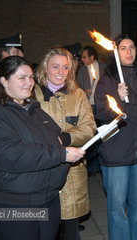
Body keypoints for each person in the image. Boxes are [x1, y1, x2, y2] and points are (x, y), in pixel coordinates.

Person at [0, 56, 85, 240]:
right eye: (22, 78)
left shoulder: (34, 109)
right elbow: (11, 154)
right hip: (15, 204)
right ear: (4, 81)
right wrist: (61, 154)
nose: (29, 83)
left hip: (47, 199)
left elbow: (55, 138)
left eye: (31, 77)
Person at [94, 34, 137, 240]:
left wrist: (125, 106)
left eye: (132, 47)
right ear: (116, 52)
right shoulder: (107, 79)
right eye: (123, 48)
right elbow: (102, 112)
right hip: (115, 154)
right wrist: (117, 98)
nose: (129, 52)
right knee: (117, 209)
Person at [34, 48, 96, 240]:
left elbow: (89, 127)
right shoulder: (31, 94)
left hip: (71, 173)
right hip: (41, 171)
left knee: (71, 230)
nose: (61, 72)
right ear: (45, 68)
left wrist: (65, 138)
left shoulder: (78, 95)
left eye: (65, 67)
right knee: (45, 231)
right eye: (55, 66)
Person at [76, 45, 106, 176]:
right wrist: (84, 91)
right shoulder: (82, 71)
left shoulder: (104, 68)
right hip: (90, 107)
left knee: (104, 136)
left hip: (103, 106)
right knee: (92, 137)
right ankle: (92, 166)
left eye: (84, 57)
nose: (82, 60)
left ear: (92, 57)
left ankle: (103, 163)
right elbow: (77, 88)